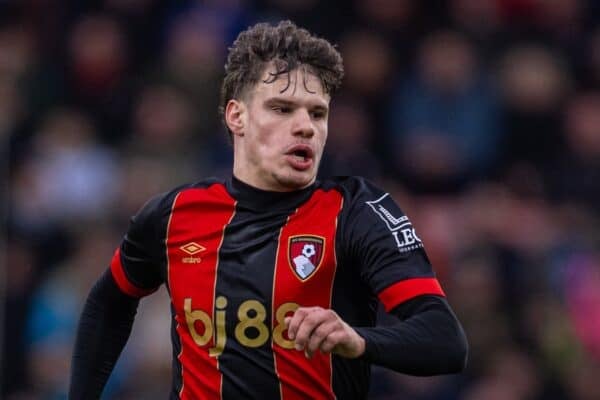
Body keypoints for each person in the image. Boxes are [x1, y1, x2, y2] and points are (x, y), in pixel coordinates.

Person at [69, 20, 468, 399]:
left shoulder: (357, 212)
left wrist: (359, 339)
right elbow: (108, 304)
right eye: (282, 109)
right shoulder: (173, 215)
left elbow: (444, 339)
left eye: (317, 112)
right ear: (236, 116)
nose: (306, 127)